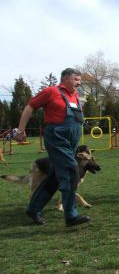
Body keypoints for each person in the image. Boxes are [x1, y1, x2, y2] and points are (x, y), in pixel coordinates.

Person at [14, 68, 90, 227]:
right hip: (56, 138)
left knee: (56, 177)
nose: (79, 83)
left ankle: (34, 209)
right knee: (71, 171)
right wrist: (20, 130)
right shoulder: (51, 91)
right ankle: (71, 215)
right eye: (76, 79)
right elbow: (30, 107)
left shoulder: (74, 96)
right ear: (66, 79)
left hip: (71, 142)